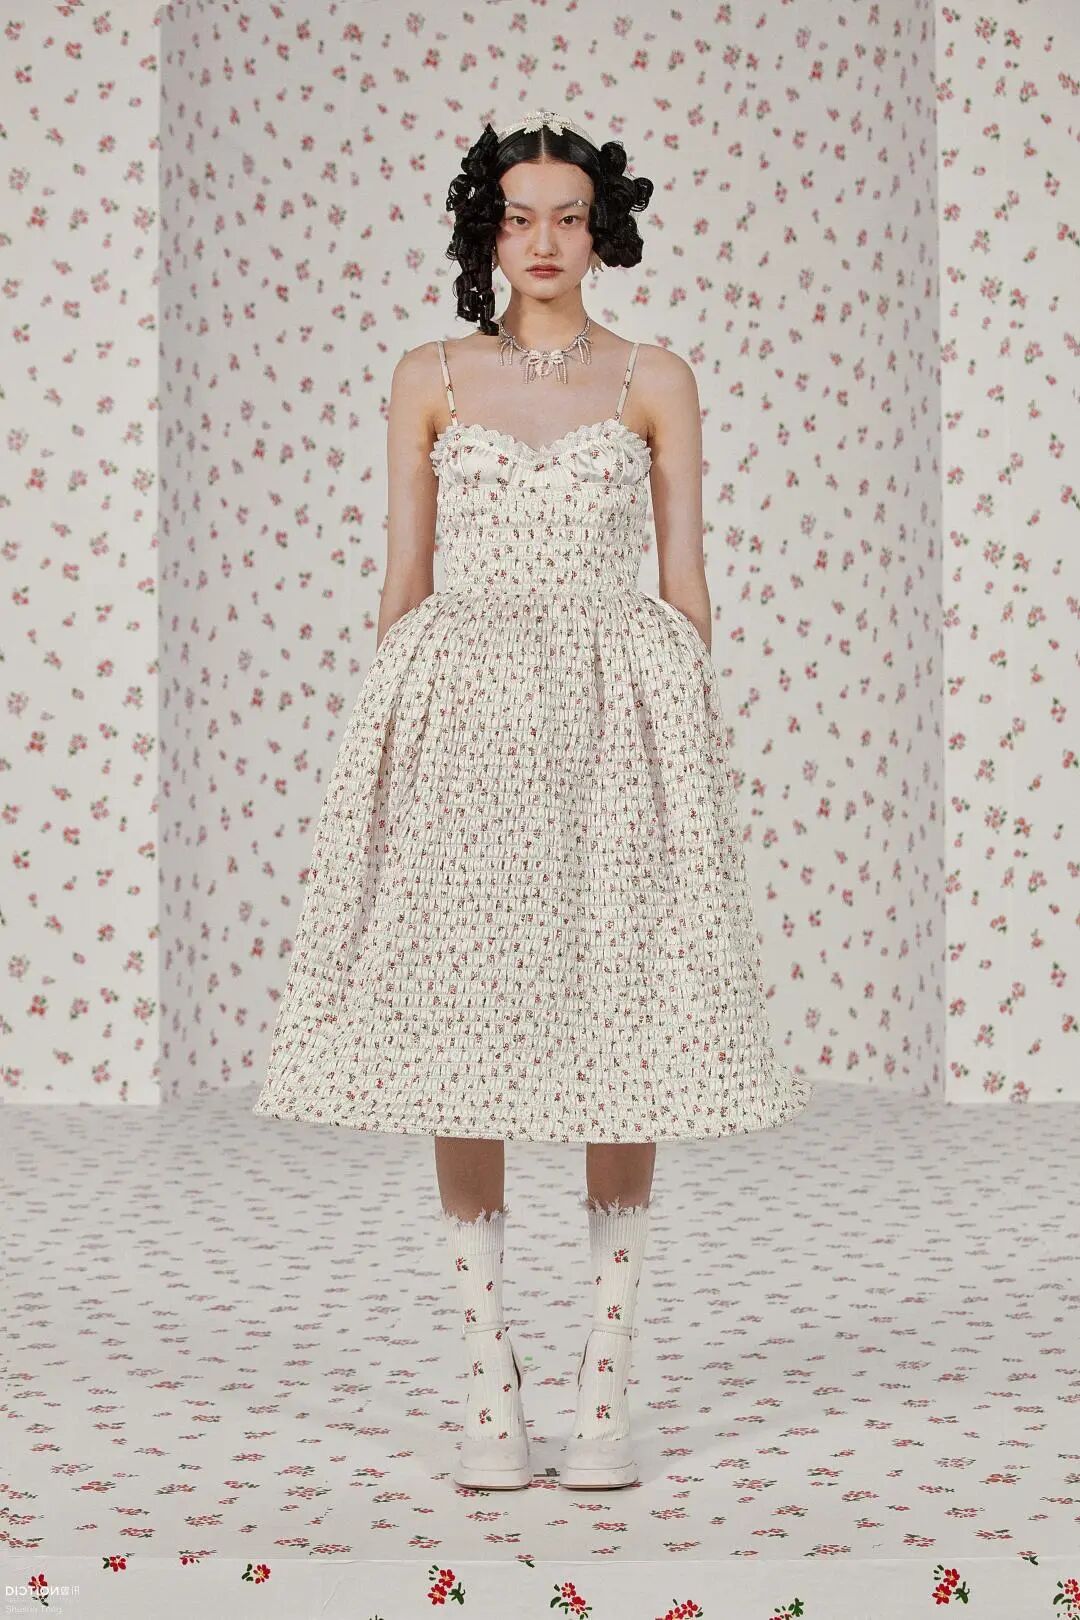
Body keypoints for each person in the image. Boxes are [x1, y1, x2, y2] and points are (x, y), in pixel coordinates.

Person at [252, 108, 813, 1494]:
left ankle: (605, 1380)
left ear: (600, 228)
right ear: (487, 232)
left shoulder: (655, 377)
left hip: (618, 716)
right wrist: (388, 746)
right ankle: (487, 1374)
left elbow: (686, 584)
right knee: (467, 1021)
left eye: (568, 215)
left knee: (623, 1018)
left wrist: (682, 751)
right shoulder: (431, 375)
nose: (545, 240)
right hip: (467, 715)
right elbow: (406, 576)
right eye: (519, 217)